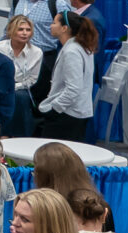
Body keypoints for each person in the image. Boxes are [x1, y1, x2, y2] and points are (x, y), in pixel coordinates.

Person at [39, 11, 99, 141]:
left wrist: (55, 108)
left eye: (54, 23)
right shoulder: (80, 47)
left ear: (64, 28)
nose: (51, 25)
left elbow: (74, 88)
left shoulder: (72, 51)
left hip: (68, 114)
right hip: (75, 111)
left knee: (54, 156)